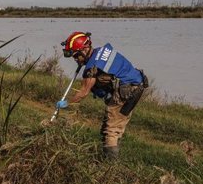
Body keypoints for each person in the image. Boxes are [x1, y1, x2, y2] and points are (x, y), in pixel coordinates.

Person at [56, 31, 149, 159]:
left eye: (76, 55)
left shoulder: (92, 67)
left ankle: (110, 167)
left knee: (111, 130)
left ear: (84, 49)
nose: (75, 59)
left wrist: (66, 103)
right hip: (137, 84)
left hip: (127, 89)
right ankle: (108, 155)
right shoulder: (99, 52)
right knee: (111, 126)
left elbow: (83, 92)